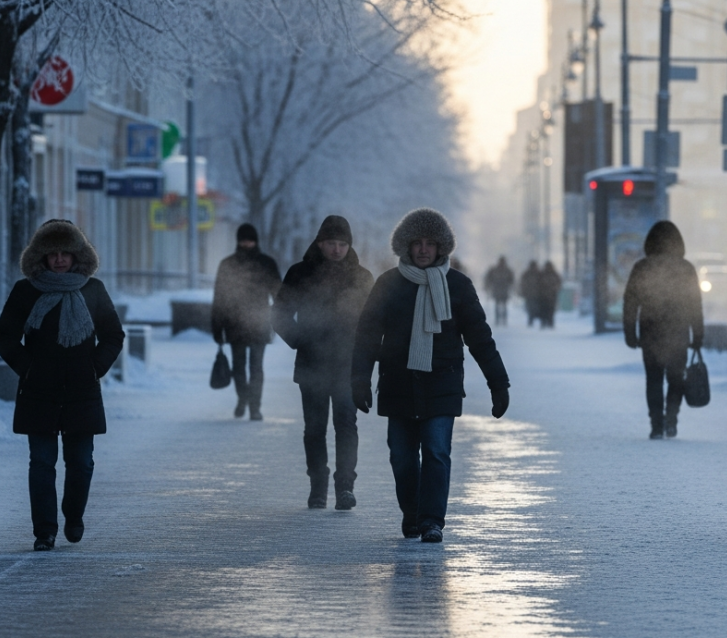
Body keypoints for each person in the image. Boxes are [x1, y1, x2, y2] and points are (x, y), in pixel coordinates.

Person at [351, 208, 510, 543]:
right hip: (398, 383)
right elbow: (367, 335)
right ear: (406, 246)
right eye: (417, 243)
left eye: (430, 243)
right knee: (402, 457)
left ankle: (431, 521)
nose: (423, 249)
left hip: (442, 383)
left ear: (441, 247)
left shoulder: (458, 286)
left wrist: (498, 383)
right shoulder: (388, 284)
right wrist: (359, 378)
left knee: (437, 452)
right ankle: (412, 513)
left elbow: (480, 337)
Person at [0, 219, 125, 552]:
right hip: (39, 392)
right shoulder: (26, 291)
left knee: (81, 464)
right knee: (41, 463)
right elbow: (5, 336)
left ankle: (73, 515)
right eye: (52, 253)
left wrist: (94, 367)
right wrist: (28, 368)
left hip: (82, 392)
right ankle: (45, 531)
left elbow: (113, 335)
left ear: (77, 255)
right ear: (40, 256)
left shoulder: (92, 290)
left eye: (65, 252)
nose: (59, 259)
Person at [273, 216, 374, 510]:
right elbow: (279, 314)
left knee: (346, 426)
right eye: (331, 243)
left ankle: (345, 487)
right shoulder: (300, 273)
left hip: (348, 365)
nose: (337, 249)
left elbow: (373, 321)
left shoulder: (362, 277)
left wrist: (367, 356)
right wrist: (300, 340)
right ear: (319, 243)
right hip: (312, 364)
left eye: (342, 244)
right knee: (315, 428)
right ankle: (318, 488)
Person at [622, 221, 704, 439]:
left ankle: (656, 425)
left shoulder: (642, 267)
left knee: (653, 379)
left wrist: (630, 333)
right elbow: (695, 304)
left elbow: (630, 302)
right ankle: (671, 420)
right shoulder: (686, 268)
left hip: (650, 332)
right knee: (676, 379)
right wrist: (697, 334)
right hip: (678, 332)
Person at [211, 223, 282, 420]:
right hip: (235, 323)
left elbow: (279, 294)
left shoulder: (266, 263)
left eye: (250, 240)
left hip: (259, 321)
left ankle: (254, 407)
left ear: (256, 241)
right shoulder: (228, 265)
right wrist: (217, 328)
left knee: (256, 367)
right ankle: (243, 399)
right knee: (239, 367)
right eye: (243, 240)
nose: (247, 243)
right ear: (238, 241)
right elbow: (220, 298)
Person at [483, 256, 515, 326]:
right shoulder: (504, 270)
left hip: (501, 290)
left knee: (501, 305)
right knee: (500, 305)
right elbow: (489, 278)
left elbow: (511, 280)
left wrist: (488, 286)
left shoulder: (501, 270)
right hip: (499, 290)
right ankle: (500, 320)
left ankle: (501, 320)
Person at [538, 261, 563, 328]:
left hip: (549, 296)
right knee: (547, 310)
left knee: (548, 310)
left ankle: (548, 322)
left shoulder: (550, 274)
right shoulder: (544, 274)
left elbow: (559, 284)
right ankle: (547, 322)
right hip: (547, 296)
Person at [519, 260, 541, 327]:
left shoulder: (537, 274)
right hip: (531, 294)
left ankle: (531, 319)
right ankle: (531, 319)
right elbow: (523, 284)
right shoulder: (529, 274)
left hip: (534, 294)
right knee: (530, 308)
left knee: (532, 308)